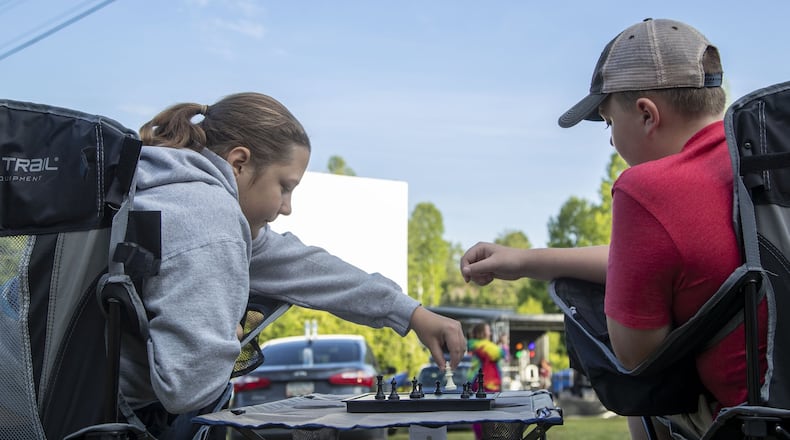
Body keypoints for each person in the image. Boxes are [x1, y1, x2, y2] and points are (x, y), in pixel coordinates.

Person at [459, 18, 767, 440]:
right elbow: (659, 260)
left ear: (646, 115)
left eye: (607, 122)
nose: (610, 141)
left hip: (745, 421)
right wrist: (526, 261)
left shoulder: (649, 190)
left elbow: (636, 355)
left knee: (636, 396)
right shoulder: (760, 169)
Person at [123, 92, 467, 439]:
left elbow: (313, 272)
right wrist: (226, 337)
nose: (287, 207)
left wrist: (410, 313)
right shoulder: (210, 217)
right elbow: (189, 388)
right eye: (285, 187)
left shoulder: (162, 192)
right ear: (238, 163)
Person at [466, 322, 504, 440]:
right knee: (484, 414)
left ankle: (484, 436)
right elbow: (498, 353)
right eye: (488, 330)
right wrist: (501, 346)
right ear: (482, 332)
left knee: (485, 414)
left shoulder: (480, 345)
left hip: (485, 383)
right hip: (484, 383)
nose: (490, 332)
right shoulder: (481, 345)